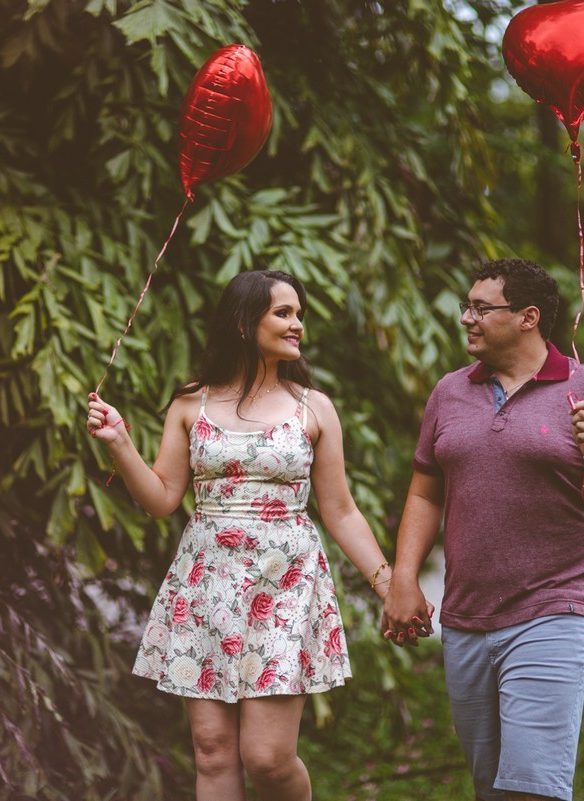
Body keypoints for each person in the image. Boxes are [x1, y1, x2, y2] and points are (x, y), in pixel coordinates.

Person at [87, 269, 403, 801]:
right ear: (242, 321)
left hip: (284, 585)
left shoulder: (313, 408)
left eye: (298, 313)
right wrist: (119, 442)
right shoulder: (192, 405)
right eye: (283, 313)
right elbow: (163, 498)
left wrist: (389, 584)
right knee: (211, 751)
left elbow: (342, 510)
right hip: (206, 582)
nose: (297, 323)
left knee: (268, 759)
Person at [382, 258, 584, 801]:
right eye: (467, 306)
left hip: (551, 611)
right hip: (465, 620)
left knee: (532, 789)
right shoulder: (449, 392)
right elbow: (424, 491)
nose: (466, 318)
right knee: (491, 788)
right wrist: (404, 576)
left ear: (529, 317)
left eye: (481, 308)